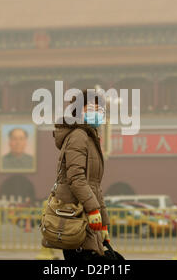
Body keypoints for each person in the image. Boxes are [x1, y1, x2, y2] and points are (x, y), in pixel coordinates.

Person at [52, 89, 111, 261]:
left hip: (88, 217)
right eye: (92, 108)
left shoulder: (89, 138)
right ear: (78, 110)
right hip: (76, 216)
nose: (97, 113)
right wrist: (93, 210)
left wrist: (104, 224)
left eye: (100, 110)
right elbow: (76, 178)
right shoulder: (79, 136)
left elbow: (94, 186)